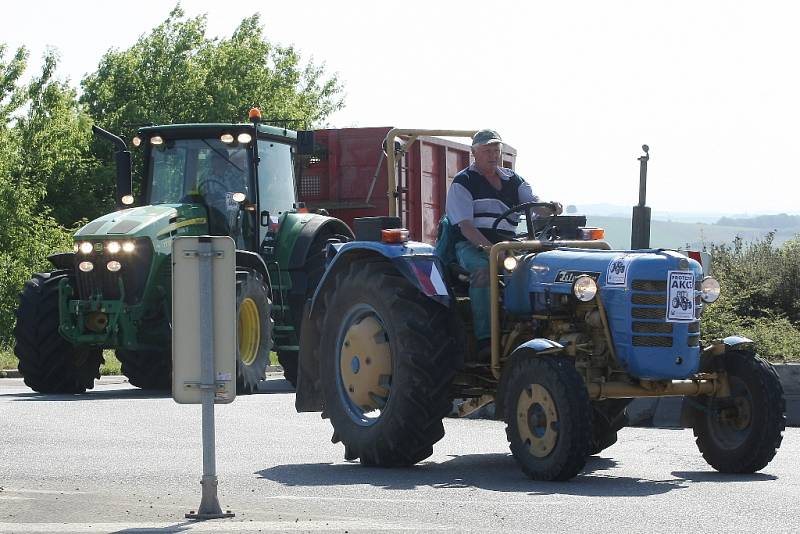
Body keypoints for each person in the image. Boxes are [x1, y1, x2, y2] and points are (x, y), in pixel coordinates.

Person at [444, 129, 562, 351]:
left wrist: (549, 207)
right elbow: (466, 227)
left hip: (510, 244)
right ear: (474, 153)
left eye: (496, 150)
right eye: (487, 150)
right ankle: (486, 340)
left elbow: (534, 204)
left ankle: (534, 327)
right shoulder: (463, 182)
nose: (492, 155)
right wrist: (492, 251)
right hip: (473, 245)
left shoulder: (513, 180)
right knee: (483, 271)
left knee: (539, 268)